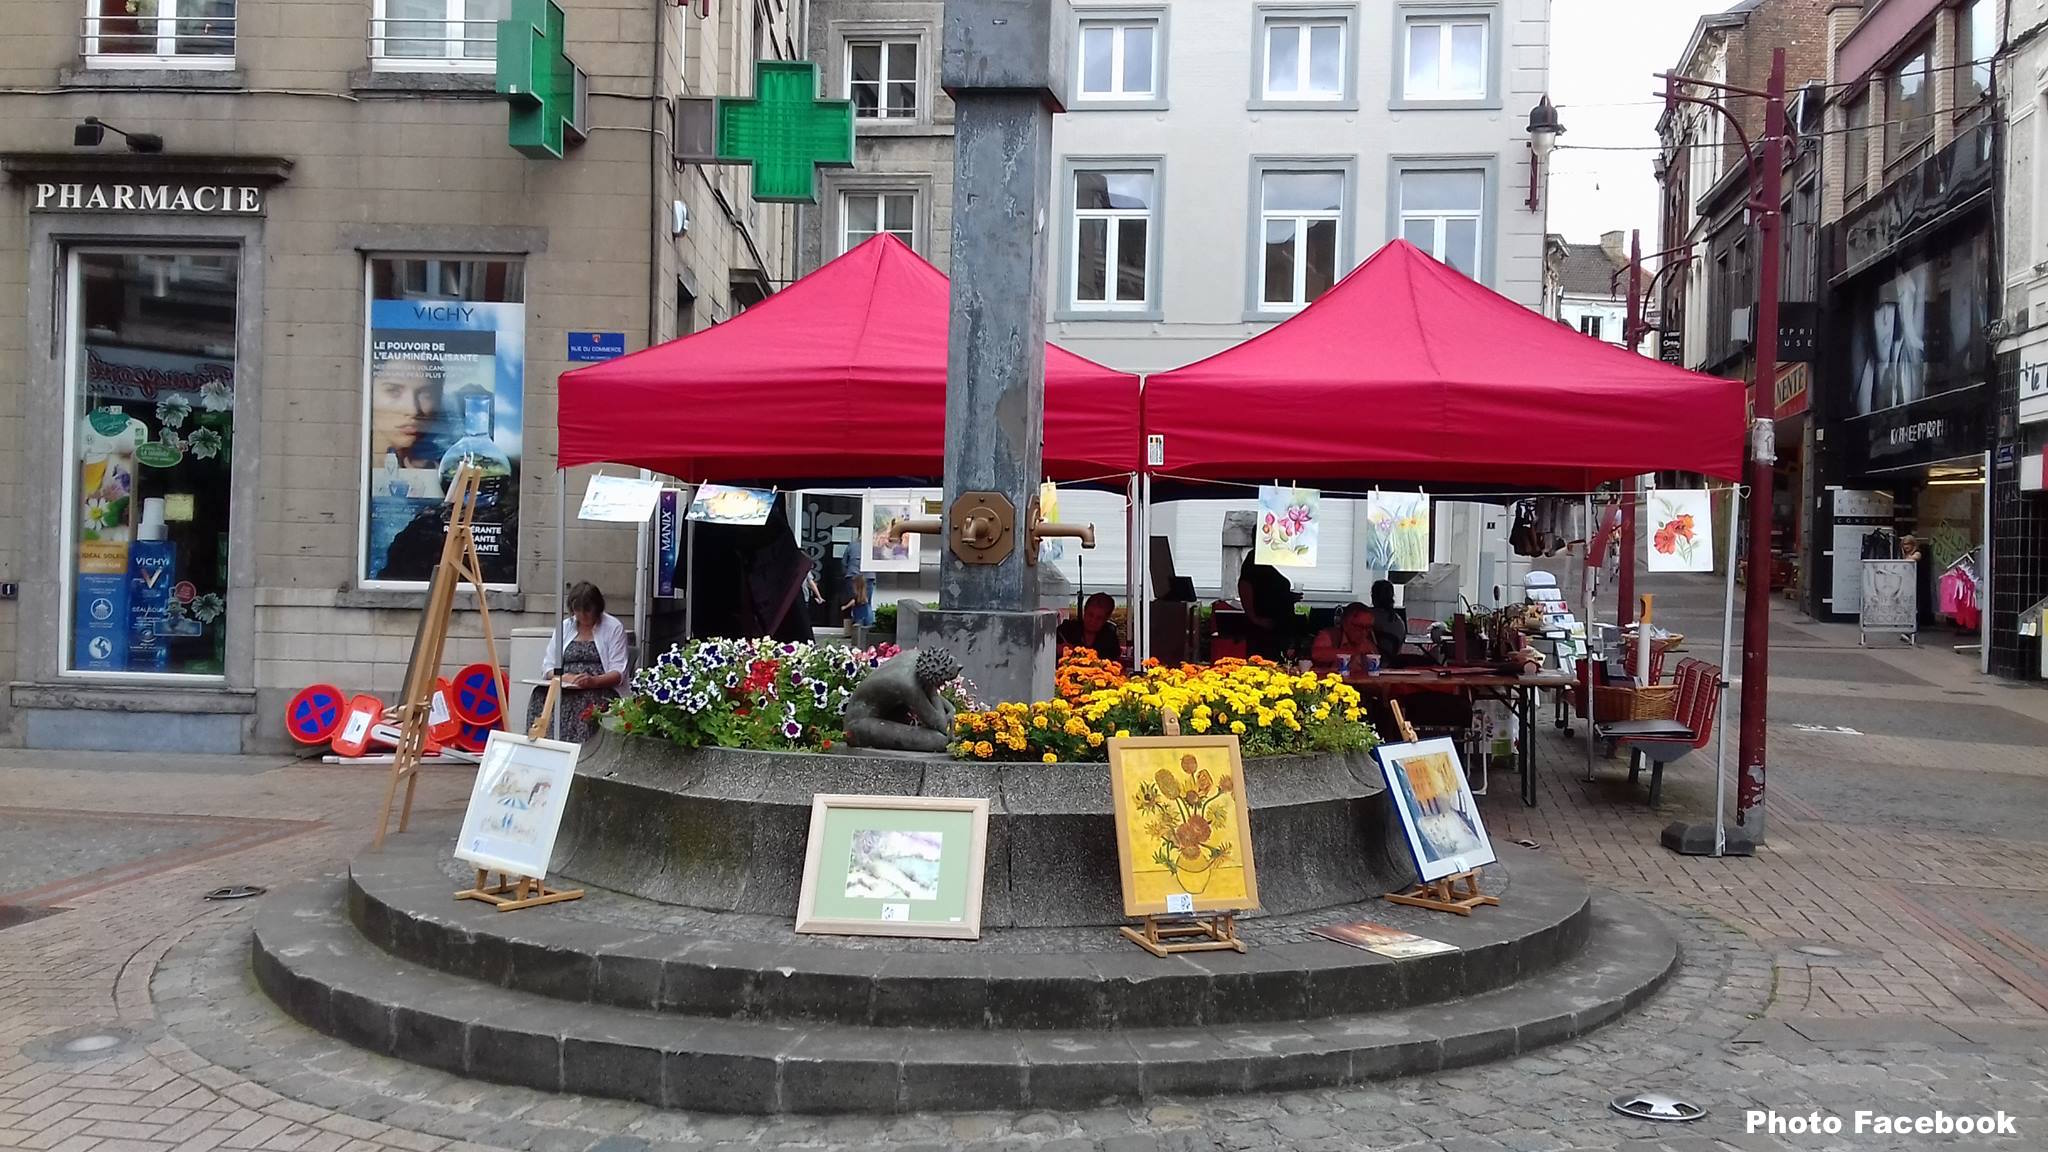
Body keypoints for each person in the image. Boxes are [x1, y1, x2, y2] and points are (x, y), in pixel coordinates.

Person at [529, 582, 630, 743]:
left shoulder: (613, 628)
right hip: (565, 684)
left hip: (598, 688)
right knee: (539, 694)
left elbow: (618, 672)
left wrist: (593, 681)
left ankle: (578, 752)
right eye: (578, 610)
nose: (583, 615)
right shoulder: (565, 627)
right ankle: (543, 746)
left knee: (582, 701)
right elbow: (548, 665)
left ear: (597, 608)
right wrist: (564, 677)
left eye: (588, 610)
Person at [1237, 556, 1297, 661]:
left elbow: (1271, 594)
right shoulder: (1254, 561)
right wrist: (1255, 618)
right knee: (1265, 661)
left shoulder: (1265, 565)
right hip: (1264, 628)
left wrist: (1288, 597)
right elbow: (1245, 586)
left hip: (1277, 627)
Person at [1310, 602, 1378, 673]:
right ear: (1345, 623)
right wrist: (1355, 651)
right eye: (1359, 627)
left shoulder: (1368, 643)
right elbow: (1317, 654)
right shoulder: (1330, 635)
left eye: (1368, 628)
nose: (1364, 632)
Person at [1057, 592, 1122, 661]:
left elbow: (1113, 660)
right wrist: (1057, 649)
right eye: (1090, 615)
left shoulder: (1110, 636)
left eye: (1099, 618)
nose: (1093, 621)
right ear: (1084, 611)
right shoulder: (1066, 629)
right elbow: (1047, 649)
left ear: (1106, 619)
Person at [1369, 580, 1409, 662]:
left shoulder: (1367, 618)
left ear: (1373, 597)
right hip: (1392, 663)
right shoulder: (1398, 620)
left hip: (1371, 663)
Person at [840, 545, 874, 630]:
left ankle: (857, 629)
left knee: (856, 600)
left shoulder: (852, 545)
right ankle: (868, 628)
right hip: (869, 575)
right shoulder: (873, 545)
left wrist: (846, 573)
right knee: (867, 604)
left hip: (853, 574)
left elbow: (844, 562)